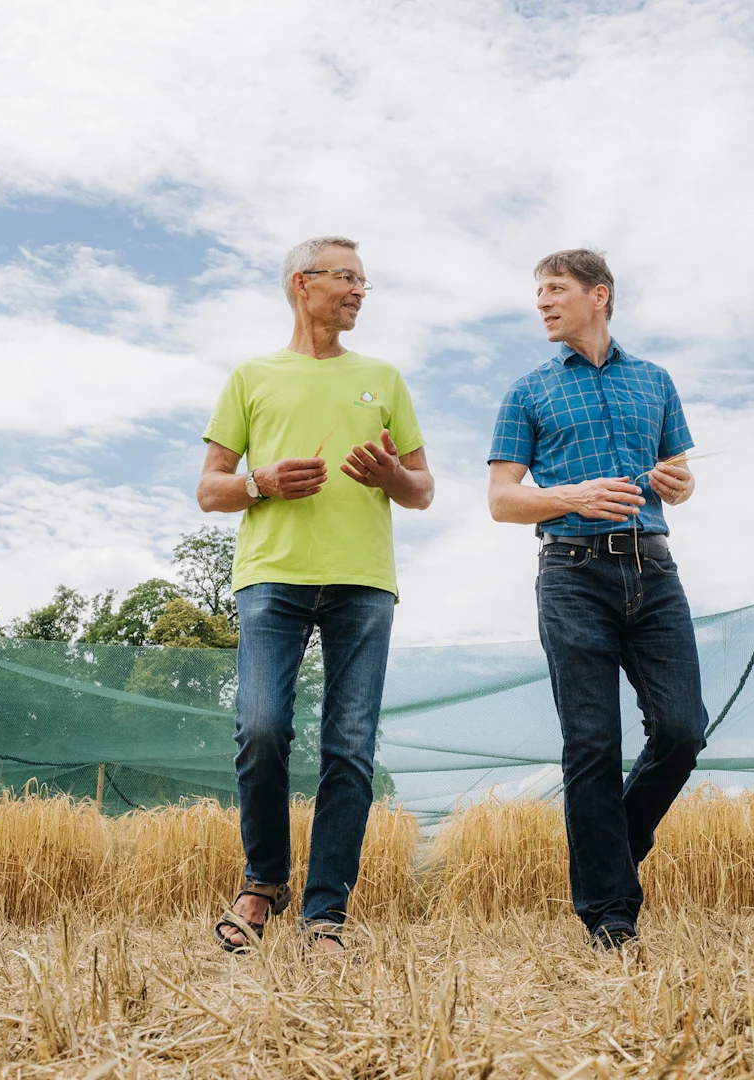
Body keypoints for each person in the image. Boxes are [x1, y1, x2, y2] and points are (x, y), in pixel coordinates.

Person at [196, 235, 434, 954]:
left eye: (364, 281)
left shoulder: (383, 379)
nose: (360, 290)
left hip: (363, 581)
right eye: (347, 277)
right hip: (272, 577)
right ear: (303, 283)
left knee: (350, 747)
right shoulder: (251, 376)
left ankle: (325, 912)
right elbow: (210, 489)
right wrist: (261, 482)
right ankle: (264, 881)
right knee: (261, 729)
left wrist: (391, 477)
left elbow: (422, 489)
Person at [485, 248, 708, 949]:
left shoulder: (655, 381)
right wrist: (574, 496)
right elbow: (502, 500)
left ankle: (608, 850)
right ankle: (610, 916)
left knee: (682, 730)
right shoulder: (527, 392)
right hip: (572, 574)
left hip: (654, 571)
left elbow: (679, 476)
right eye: (539, 293)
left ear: (599, 295)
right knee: (591, 742)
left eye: (556, 289)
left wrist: (678, 484)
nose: (543, 303)